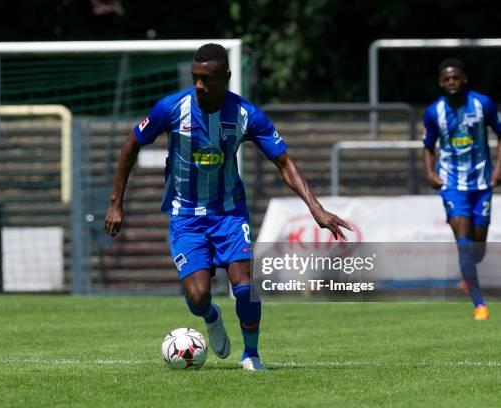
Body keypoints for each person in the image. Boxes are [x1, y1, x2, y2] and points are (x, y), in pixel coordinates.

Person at [104, 43, 352, 370]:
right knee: (197, 296)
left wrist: (315, 208)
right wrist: (115, 203)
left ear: (227, 78)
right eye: (196, 78)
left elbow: (283, 162)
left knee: (245, 288)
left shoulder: (246, 114)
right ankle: (210, 316)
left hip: (229, 213)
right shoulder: (171, 108)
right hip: (186, 216)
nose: (199, 85)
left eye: (207, 79)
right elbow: (131, 144)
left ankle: (251, 354)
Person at [423, 58, 501, 320]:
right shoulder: (435, 112)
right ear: (440, 82)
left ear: (464, 78)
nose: (451, 82)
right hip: (453, 185)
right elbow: (428, 145)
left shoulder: (483, 104)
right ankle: (479, 304)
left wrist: (499, 170)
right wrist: (430, 172)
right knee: (464, 242)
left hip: (481, 183)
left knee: (477, 249)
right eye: (446, 79)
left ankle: (469, 274)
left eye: (456, 77)